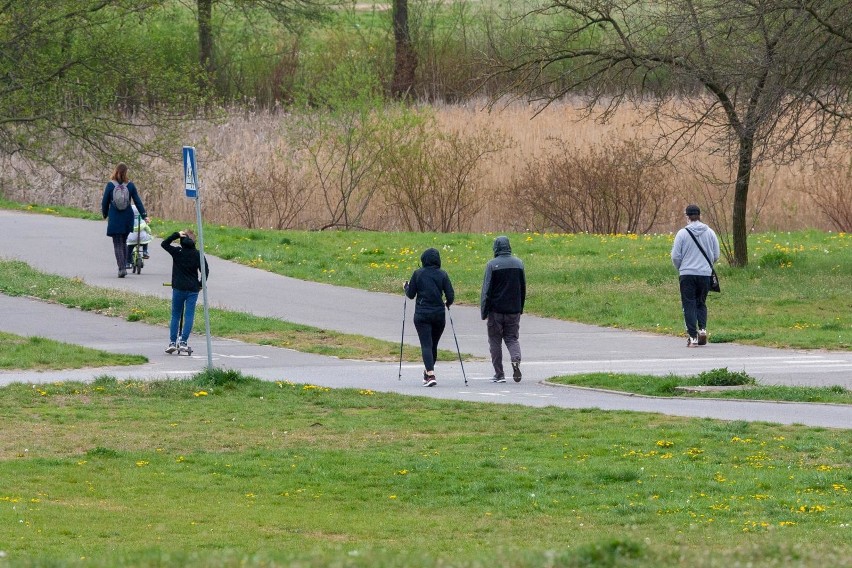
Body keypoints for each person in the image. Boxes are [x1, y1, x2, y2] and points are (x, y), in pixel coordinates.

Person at [404, 248, 455, 387]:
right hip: (439, 314)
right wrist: (447, 303)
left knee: (426, 344)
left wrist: (406, 287)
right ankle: (427, 372)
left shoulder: (418, 274)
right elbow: (450, 295)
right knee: (433, 345)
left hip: (422, 314)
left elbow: (411, 294)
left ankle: (431, 375)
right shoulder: (442, 274)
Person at [671, 204, 720, 347]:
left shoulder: (682, 233)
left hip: (687, 273)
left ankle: (693, 337)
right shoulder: (710, 232)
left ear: (687, 216)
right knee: (701, 302)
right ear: (699, 215)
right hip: (705, 274)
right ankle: (703, 330)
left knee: (689, 303)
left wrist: (681, 267)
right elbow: (716, 254)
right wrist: (706, 266)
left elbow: (675, 256)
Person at [481, 236, 526, 383]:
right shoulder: (519, 264)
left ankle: (499, 374)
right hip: (514, 309)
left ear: (496, 248)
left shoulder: (492, 265)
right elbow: (523, 287)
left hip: (496, 311)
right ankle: (515, 359)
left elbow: (486, 290)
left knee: (495, 341)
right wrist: (520, 307)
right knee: (512, 338)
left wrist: (484, 311)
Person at [161, 229, 209, 353]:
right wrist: (200, 284)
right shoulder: (198, 254)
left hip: (178, 287)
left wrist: (175, 234)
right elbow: (205, 271)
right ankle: (183, 342)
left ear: (181, 241)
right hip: (192, 289)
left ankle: (172, 342)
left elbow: (164, 244)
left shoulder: (177, 252)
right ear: (194, 242)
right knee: (189, 315)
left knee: (176, 315)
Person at [101, 162, 148, 278]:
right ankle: (123, 266)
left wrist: (105, 214)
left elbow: (104, 201)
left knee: (117, 243)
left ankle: (121, 268)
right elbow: (137, 201)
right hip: (127, 217)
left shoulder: (110, 185)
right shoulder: (130, 185)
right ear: (126, 172)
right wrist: (144, 215)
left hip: (115, 217)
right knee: (124, 242)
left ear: (115, 171)